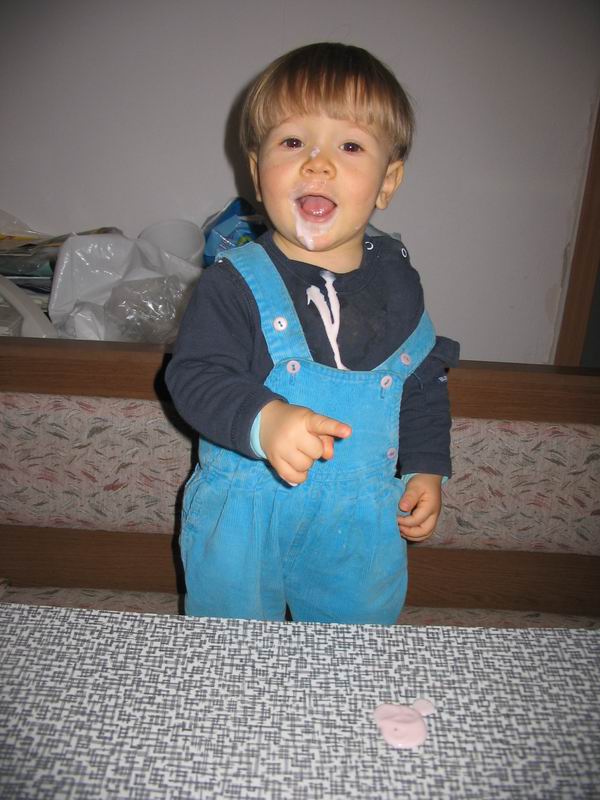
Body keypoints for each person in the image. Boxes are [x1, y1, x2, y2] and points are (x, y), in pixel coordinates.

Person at [166, 42, 459, 624]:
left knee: (352, 645)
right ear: (257, 172)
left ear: (388, 181)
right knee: (229, 647)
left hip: (359, 522)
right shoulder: (232, 283)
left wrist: (426, 466)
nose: (318, 164)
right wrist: (264, 419)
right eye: (293, 142)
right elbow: (194, 376)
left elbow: (421, 380)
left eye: (349, 146)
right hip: (245, 515)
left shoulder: (400, 285)